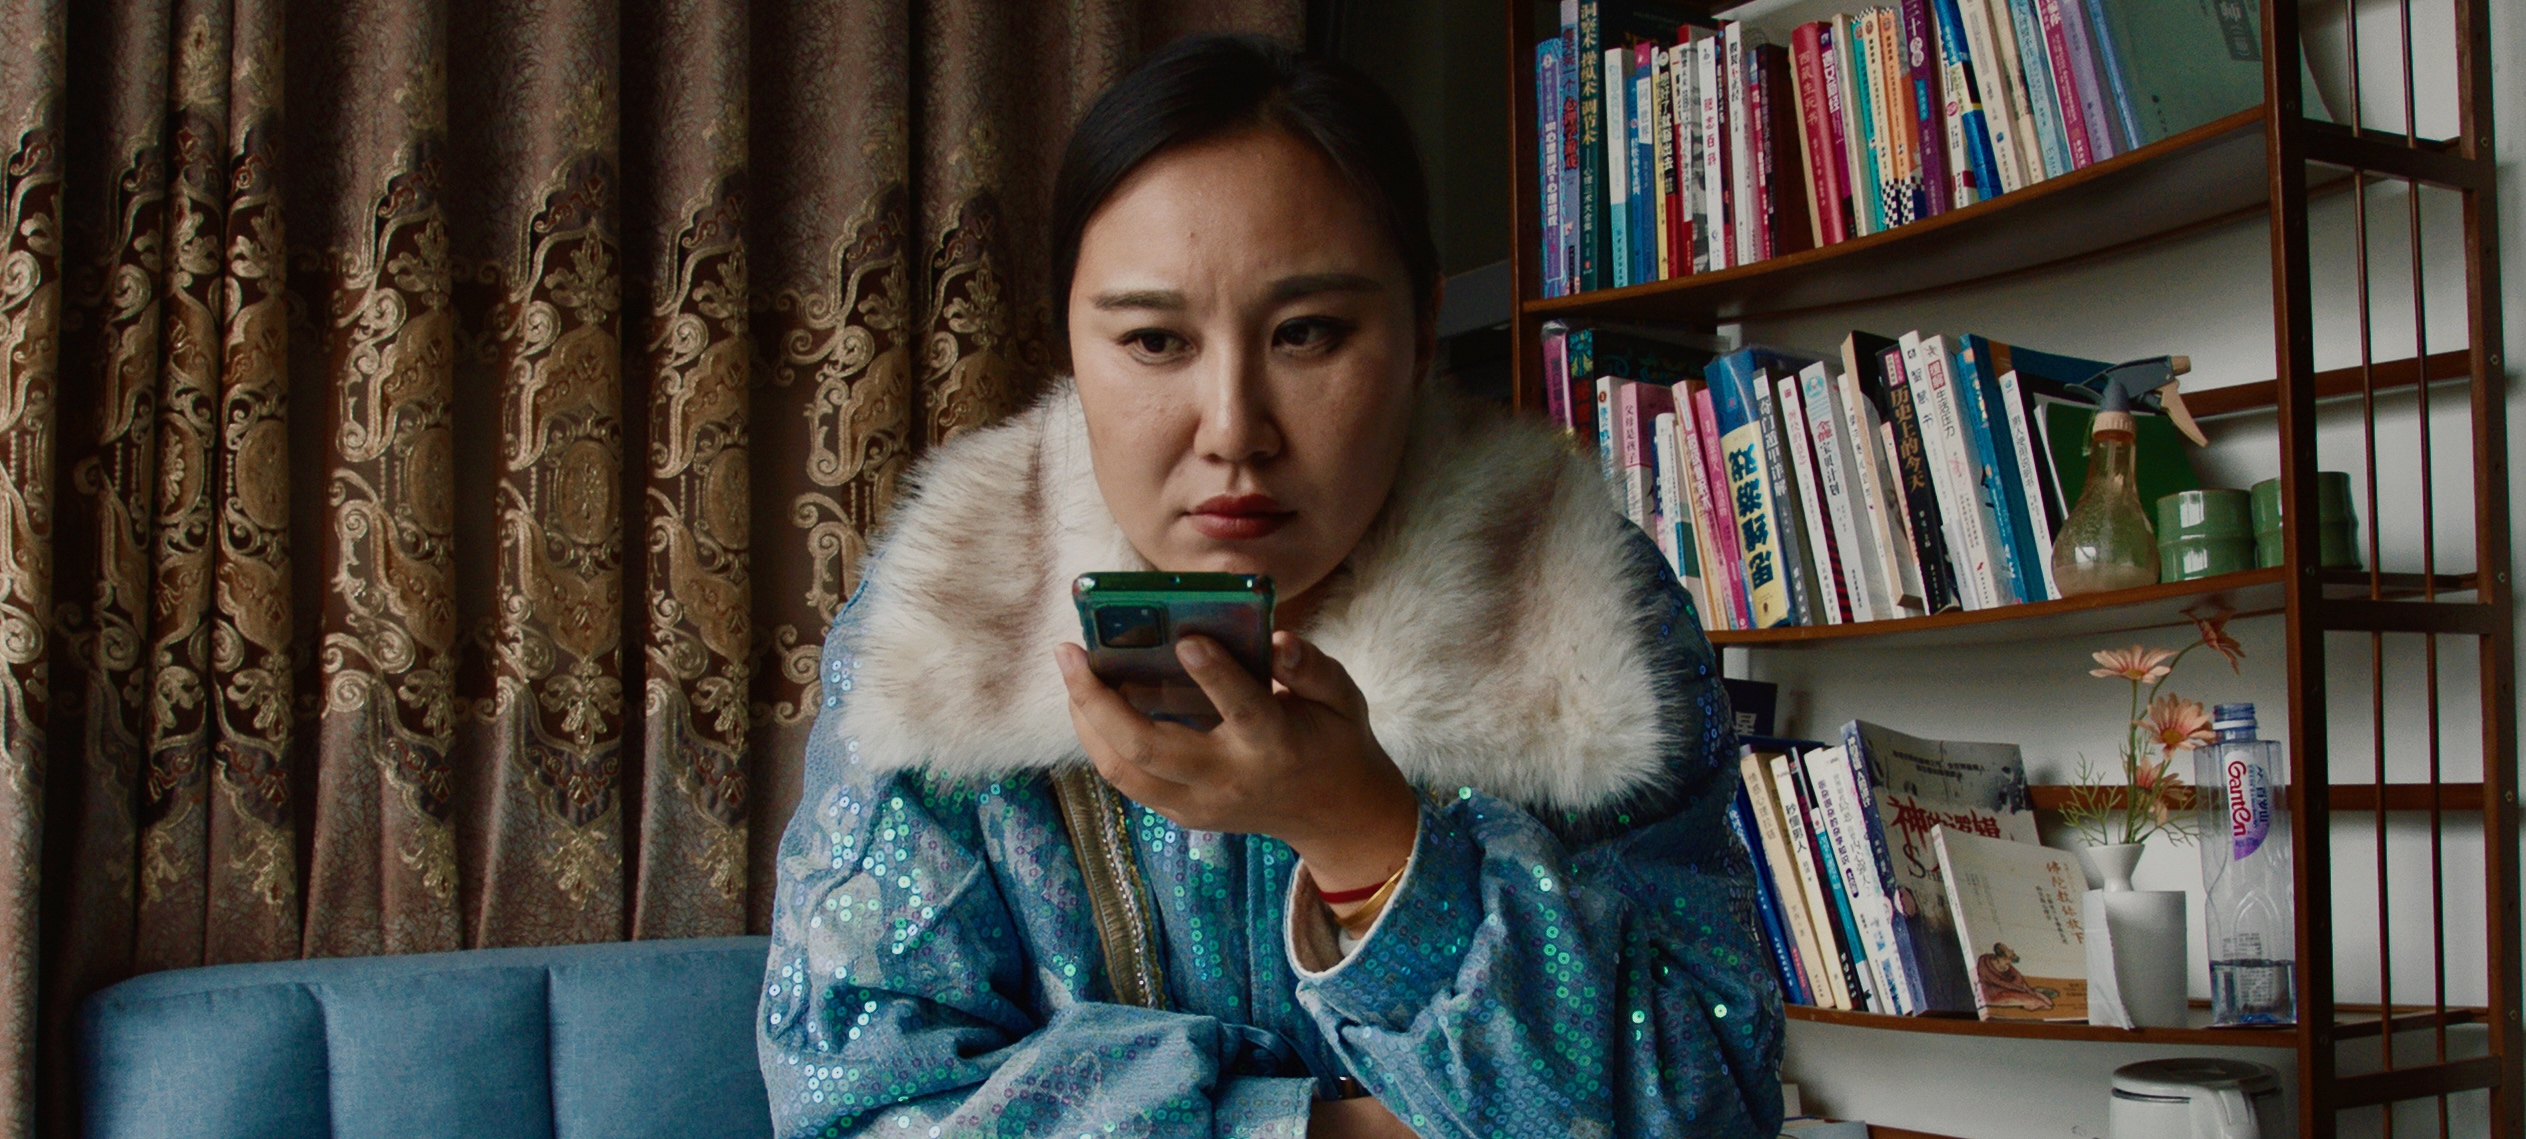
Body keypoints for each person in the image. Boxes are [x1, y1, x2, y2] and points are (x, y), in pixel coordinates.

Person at [757, 33, 1782, 1138]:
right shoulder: (944, 623)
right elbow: (853, 1106)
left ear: (1421, 330)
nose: (1234, 427)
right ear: (1069, 345)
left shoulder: (1581, 618)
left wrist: (1368, 840)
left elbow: (1710, 1103)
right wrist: (1325, 1128)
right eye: (1155, 340)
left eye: (1308, 333)